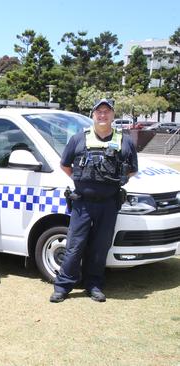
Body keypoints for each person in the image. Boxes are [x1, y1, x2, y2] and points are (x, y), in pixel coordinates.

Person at [50, 98, 138, 303]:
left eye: (107, 111)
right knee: (74, 245)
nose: (102, 115)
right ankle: (63, 286)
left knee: (100, 247)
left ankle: (94, 285)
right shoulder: (78, 139)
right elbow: (65, 165)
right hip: (82, 203)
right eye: (99, 111)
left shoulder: (125, 141)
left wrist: (119, 179)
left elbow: (133, 170)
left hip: (109, 203)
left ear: (113, 115)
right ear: (93, 115)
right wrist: (80, 181)